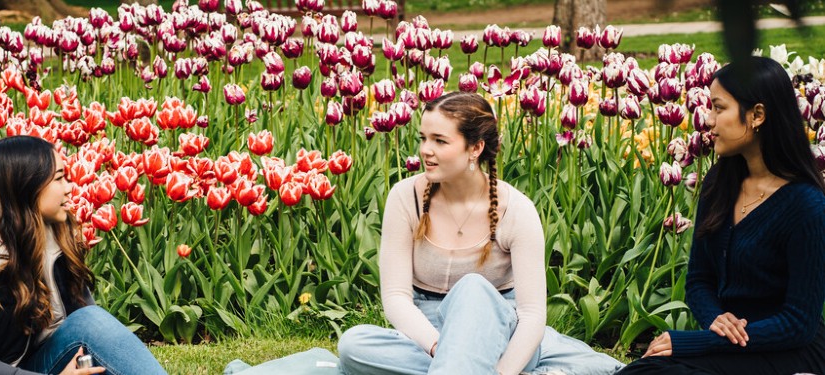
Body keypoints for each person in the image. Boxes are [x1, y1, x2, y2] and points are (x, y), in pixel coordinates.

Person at [337, 92, 624, 375]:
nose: (425, 149)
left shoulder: (516, 210)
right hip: (426, 335)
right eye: (423, 138)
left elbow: (532, 316)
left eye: (439, 140)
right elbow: (396, 296)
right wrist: (444, 350)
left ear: (475, 148)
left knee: (473, 287)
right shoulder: (405, 197)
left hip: (502, 336)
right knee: (353, 345)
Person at [617, 57, 825, 374]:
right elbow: (699, 280)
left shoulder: (806, 205)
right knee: (641, 371)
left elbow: (799, 324)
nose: (709, 121)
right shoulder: (718, 183)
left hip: (790, 350)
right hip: (731, 344)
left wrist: (702, 341)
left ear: (757, 115)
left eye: (719, 108)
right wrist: (715, 319)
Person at [0, 136, 166, 375]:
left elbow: (86, 330)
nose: (70, 188)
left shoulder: (49, 234)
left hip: (24, 366)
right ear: (27, 185)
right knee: (90, 323)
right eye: (59, 178)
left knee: (89, 323)